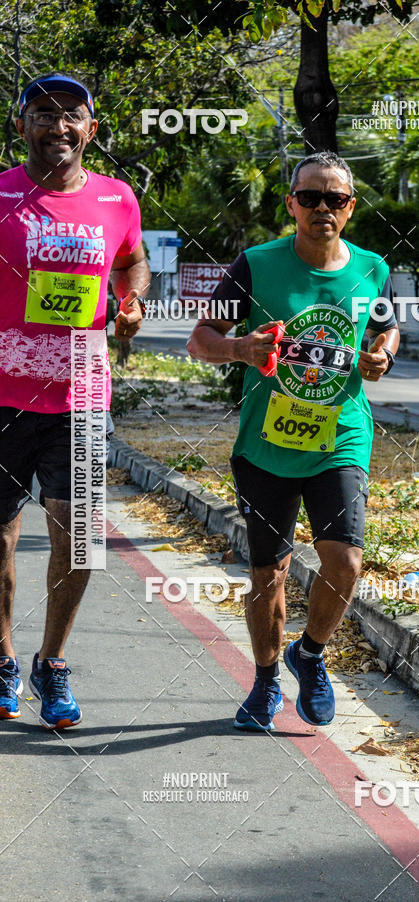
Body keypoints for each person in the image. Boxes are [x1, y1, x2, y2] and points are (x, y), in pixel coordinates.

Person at [187, 151, 399, 731]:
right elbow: (201, 338)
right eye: (310, 198)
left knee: (346, 561)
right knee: (268, 575)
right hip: (265, 445)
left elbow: (385, 328)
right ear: (292, 204)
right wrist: (239, 350)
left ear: (350, 208)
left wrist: (382, 355)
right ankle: (263, 682)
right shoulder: (255, 265)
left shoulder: (372, 269)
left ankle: (310, 653)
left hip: (340, 437)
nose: (322, 209)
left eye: (335, 199)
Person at [0, 73, 150, 728]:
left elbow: (131, 260)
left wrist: (133, 299)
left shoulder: (118, 198)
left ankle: (51, 664)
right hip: (3, 395)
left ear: (92, 129)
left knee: (80, 539)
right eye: (43, 113)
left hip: (83, 392)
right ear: (21, 126)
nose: (58, 125)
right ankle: (2, 658)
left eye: (72, 115)